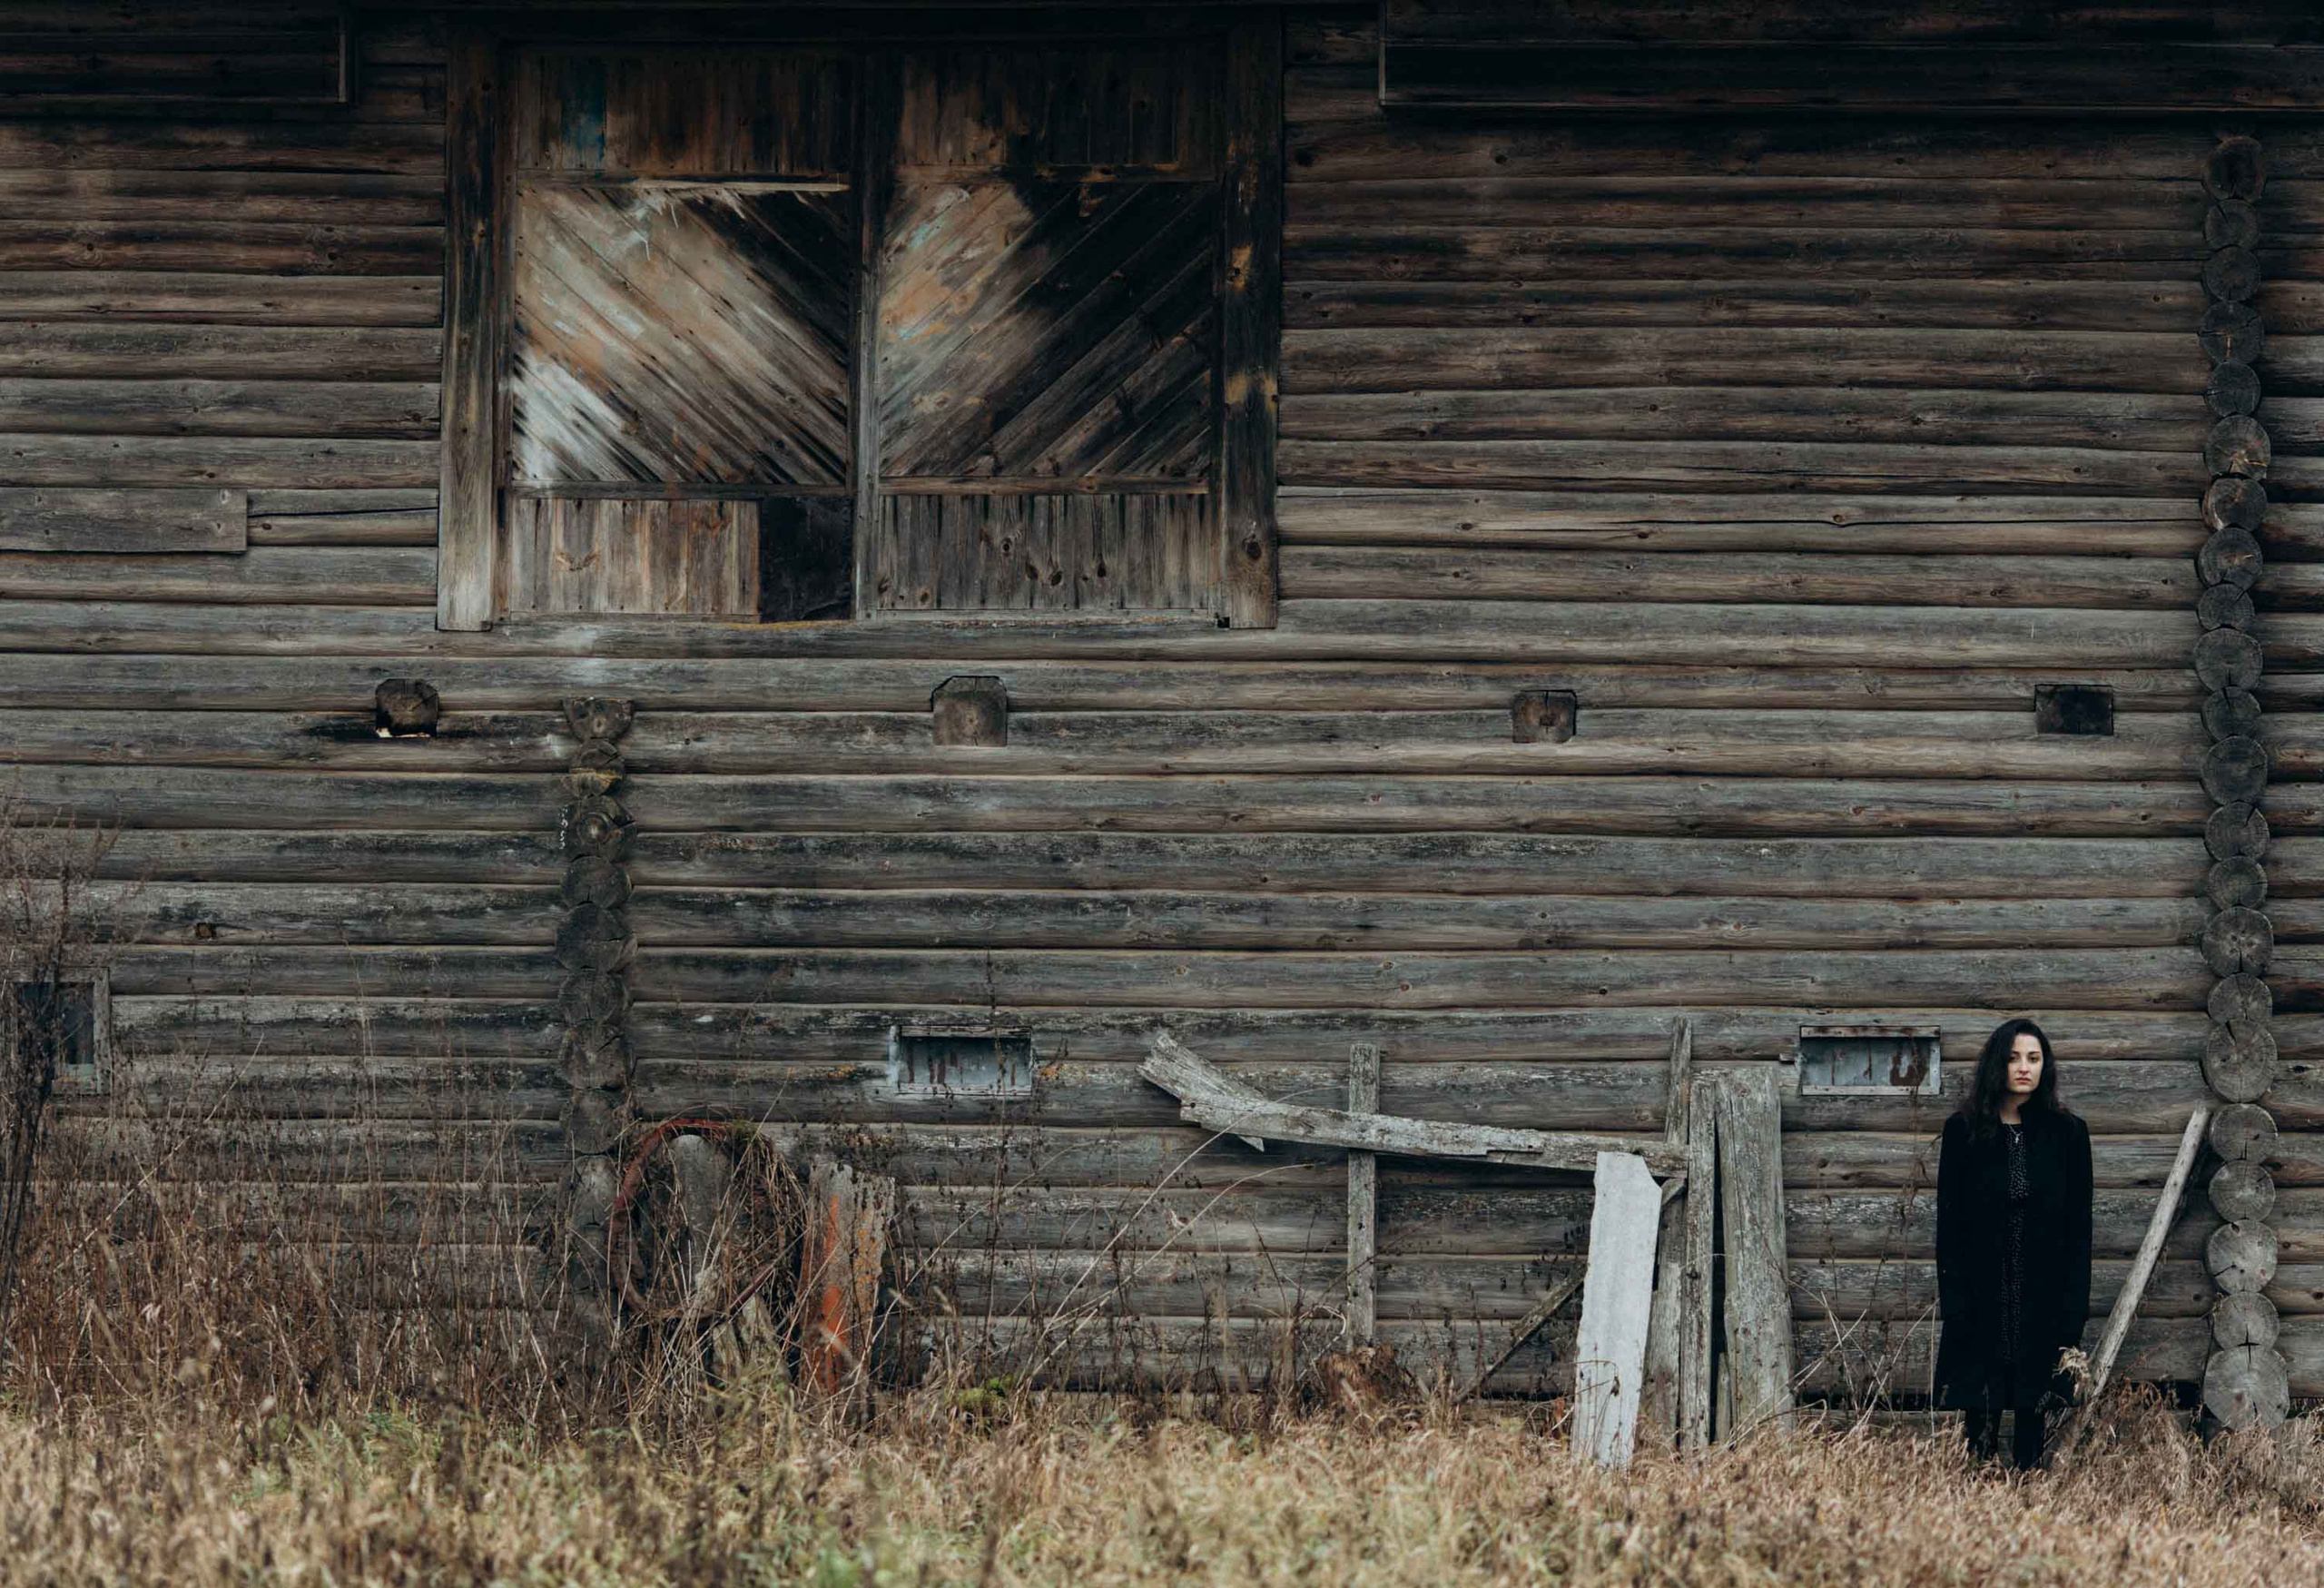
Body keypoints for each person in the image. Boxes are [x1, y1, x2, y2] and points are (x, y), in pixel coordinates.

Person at [1933, 1018, 2094, 1471]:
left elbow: (2079, 1230)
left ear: (2045, 1066)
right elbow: (1950, 1229)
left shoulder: (2068, 1134)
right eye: (2013, 1058)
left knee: (2033, 1407)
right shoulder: (1963, 1131)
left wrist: (2073, 1314)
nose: (2024, 1067)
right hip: (1982, 1296)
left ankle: (2028, 1487)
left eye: (2034, 1058)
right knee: (1979, 1409)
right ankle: (1980, 1485)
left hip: (2042, 1297)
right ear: (1995, 1065)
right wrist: (1956, 1304)